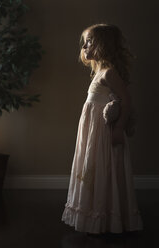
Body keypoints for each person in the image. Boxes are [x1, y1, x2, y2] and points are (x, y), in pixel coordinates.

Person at [61, 23, 143, 236]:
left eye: (90, 42)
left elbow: (126, 101)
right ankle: (94, 212)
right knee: (93, 169)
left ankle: (108, 216)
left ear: (103, 46)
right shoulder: (98, 74)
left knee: (106, 170)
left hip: (104, 133)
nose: (85, 46)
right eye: (85, 42)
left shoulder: (109, 73)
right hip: (92, 134)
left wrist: (119, 129)